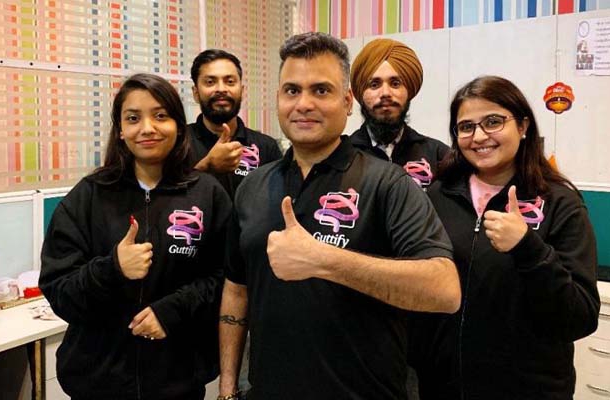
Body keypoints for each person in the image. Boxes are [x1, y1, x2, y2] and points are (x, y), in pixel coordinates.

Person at [217, 32, 461, 400]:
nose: (304, 104)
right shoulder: (252, 187)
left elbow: (444, 290)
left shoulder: (387, 183)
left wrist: (324, 260)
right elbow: (237, 290)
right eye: (292, 90)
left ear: (347, 101)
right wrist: (227, 387)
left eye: (321, 90)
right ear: (278, 98)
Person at [39, 73, 232, 400]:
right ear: (120, 130)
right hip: (98, 382)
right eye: (133, 118)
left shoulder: (206, 194)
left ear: (178, 125)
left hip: (178, 380)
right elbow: (58, 289)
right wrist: (112, 268)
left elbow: (227, 278)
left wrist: (172, 311)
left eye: (160, 116)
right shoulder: (89, 195)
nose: (147, 128)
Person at [409, 76, 600, 399]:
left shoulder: (559, 203)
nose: (479, 136)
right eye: (466, 127)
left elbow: (580, 317)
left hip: (528, 390)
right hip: (442, 387)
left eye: (493, 122)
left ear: (523, 126)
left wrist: (528, 248)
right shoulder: (439, 195)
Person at [350, 38, 449, 191]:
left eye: (395, 84)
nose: (385, 93)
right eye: (374, 84)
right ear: (360, 93)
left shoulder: (438, 156)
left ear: (409, 91)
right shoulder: (343, 156)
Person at [188, 49, 283, 198]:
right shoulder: (178, 142)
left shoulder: (266, 147)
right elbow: (164, 199)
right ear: (196, 93)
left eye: (230, 82)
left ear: (242, 91)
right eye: (210, 82)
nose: (221, 89)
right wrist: (206, 167)